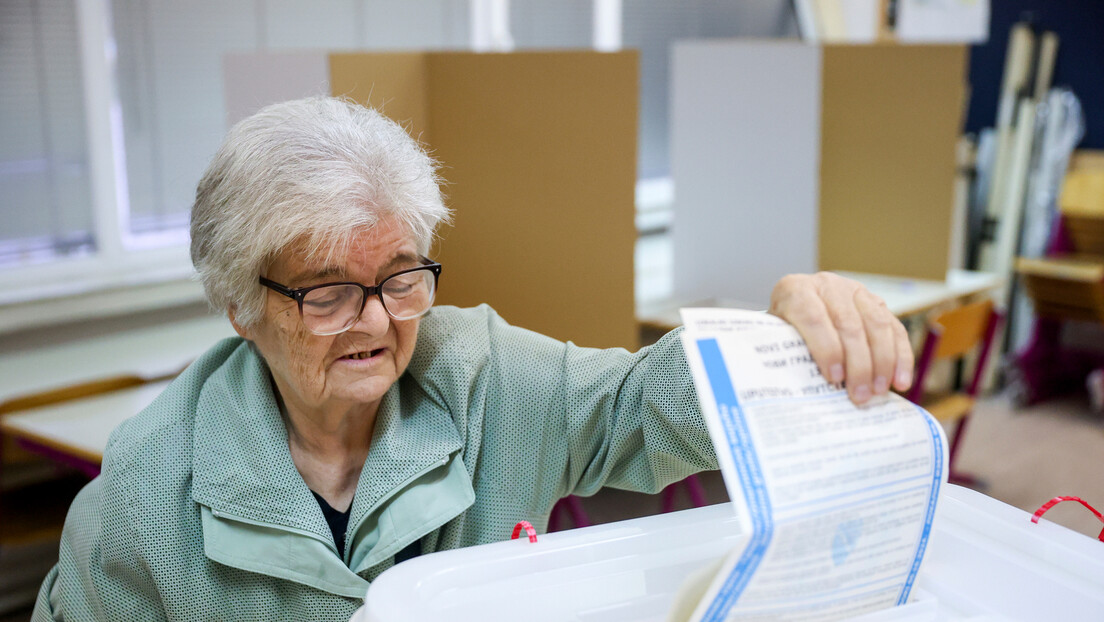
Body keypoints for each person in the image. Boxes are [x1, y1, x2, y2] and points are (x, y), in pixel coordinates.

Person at [33, 97, 913, 621]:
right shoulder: (145, 492)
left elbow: (645, 404)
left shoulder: (484, 376)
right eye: (327, 292)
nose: (375, 321)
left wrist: (777, 334)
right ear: (238, 304)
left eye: (400, 276)